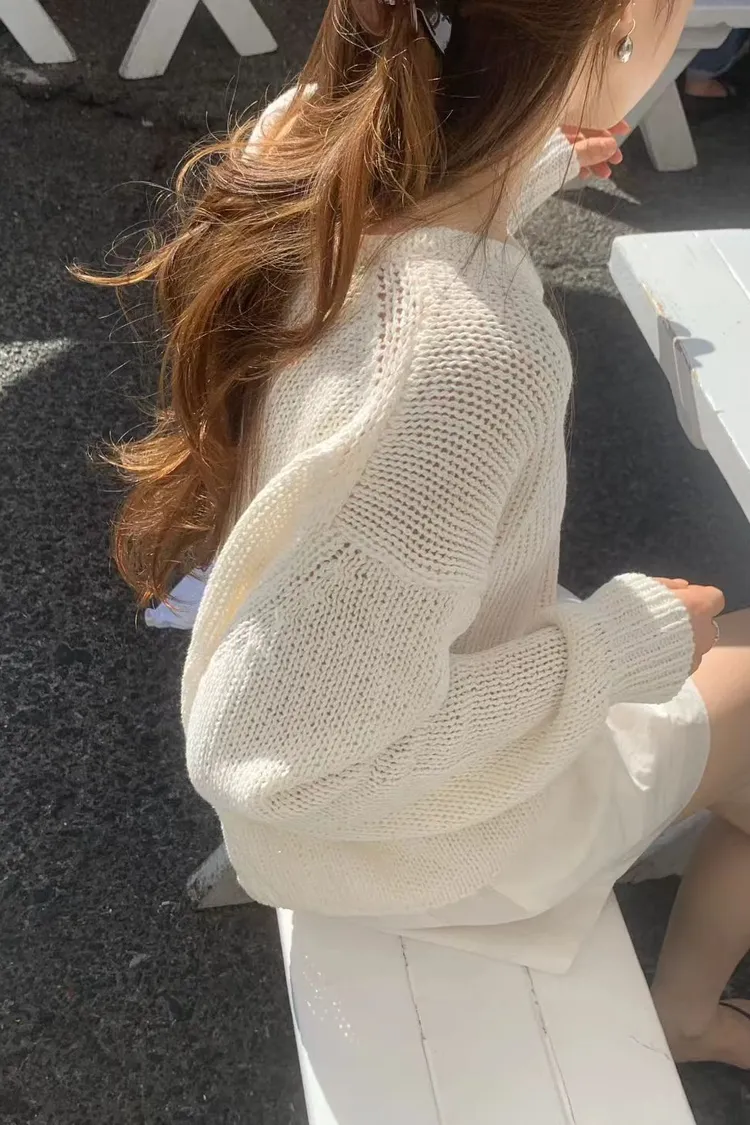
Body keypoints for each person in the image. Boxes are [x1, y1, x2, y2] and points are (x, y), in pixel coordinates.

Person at [86, 0, 750, 1069]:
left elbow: (416, 231)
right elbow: (280, 761)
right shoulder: (473, 360)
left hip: (349, 719)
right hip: (408, 847)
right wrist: (622, 645)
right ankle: (687, 1014)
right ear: (617, 35)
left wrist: (529, 165)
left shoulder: (311, 132)